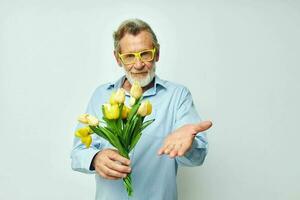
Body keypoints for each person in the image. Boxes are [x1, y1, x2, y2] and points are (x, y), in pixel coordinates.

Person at [71, 18, 212, 200]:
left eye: (145, 54)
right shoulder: (101, 95)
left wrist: (189, 144)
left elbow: (197, 158)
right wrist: (95, 158)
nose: (138, 65)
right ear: (117, 59)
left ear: (157, 53)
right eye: (129, 56)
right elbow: (78, 152)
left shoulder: (178, 96)